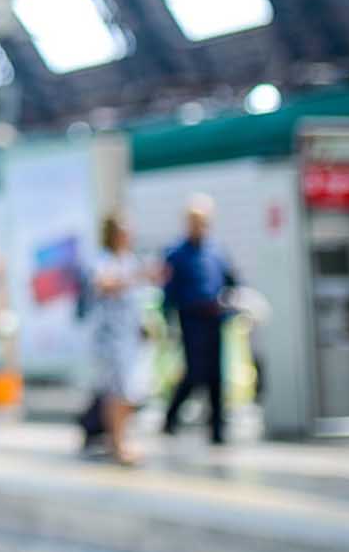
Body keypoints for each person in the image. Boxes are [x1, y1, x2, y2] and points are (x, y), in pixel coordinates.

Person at [161, 193, 240, 444]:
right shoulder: (177, 253)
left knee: (216, 374)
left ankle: (217, 429)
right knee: (195, 372)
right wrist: (167, 321)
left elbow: (232, 279)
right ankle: (171, 417)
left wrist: (232, 302)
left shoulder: (216, 250)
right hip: (191, 318)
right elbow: (169, 291)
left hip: (214, 317)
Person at [82, 214, 153, 465]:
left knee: (132, 391)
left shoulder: (129, 260)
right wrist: (137, 277)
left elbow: (139, 300)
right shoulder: (103, 260)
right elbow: (104, 284)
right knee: (117, 391)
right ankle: (118, 444)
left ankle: (119, 438)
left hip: (130, 336)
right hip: (110, 338)